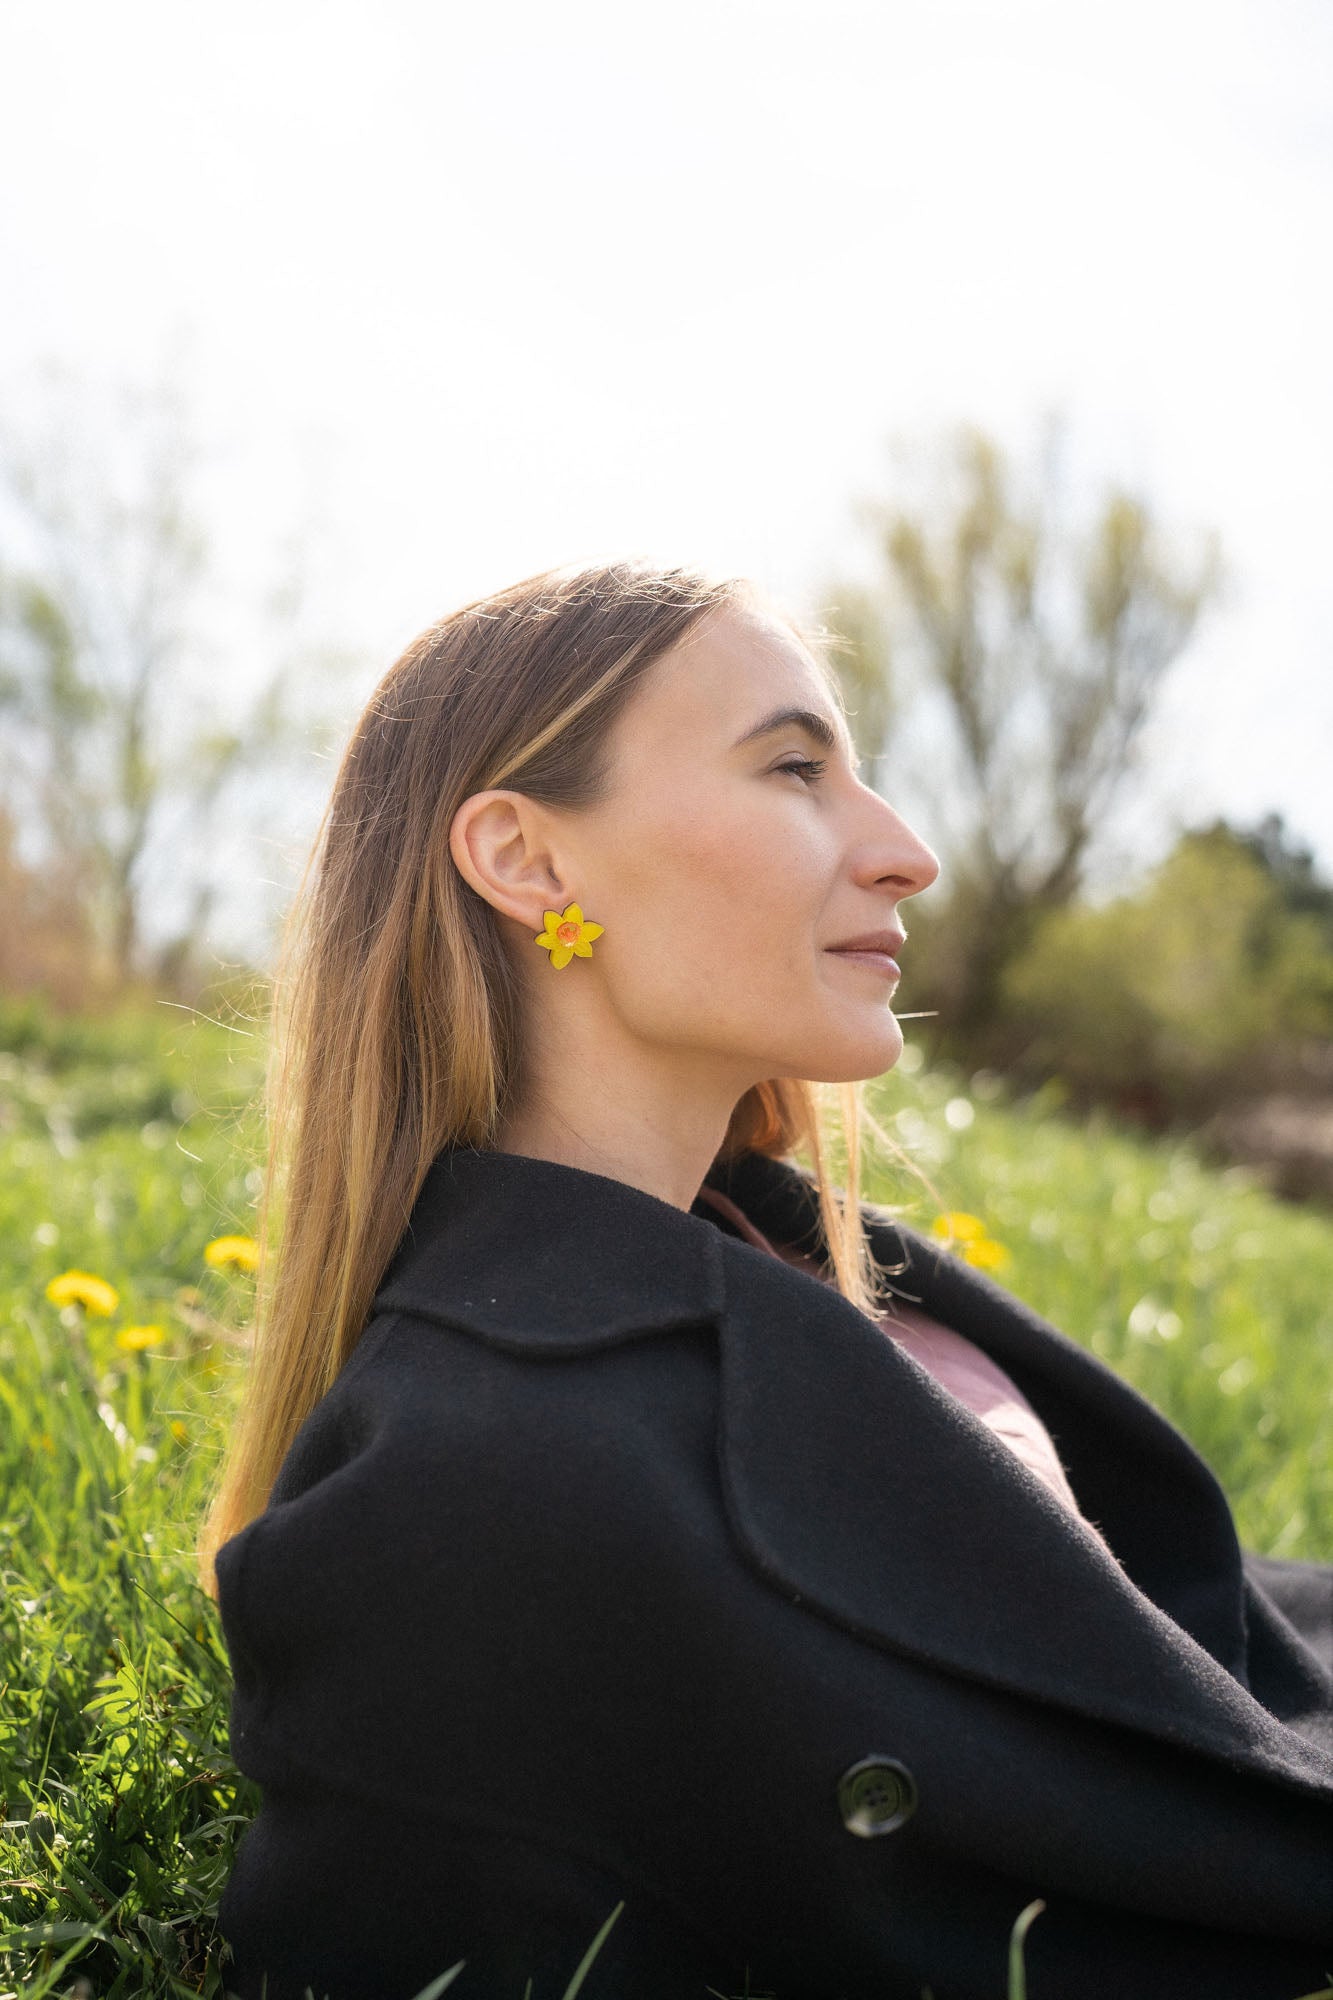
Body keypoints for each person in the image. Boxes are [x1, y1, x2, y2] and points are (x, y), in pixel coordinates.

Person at [199, 558, 1333, 2000]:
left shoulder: (769, 1243)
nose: (906, 852)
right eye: (795, 768)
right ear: (530, 862)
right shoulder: (468, 1491)